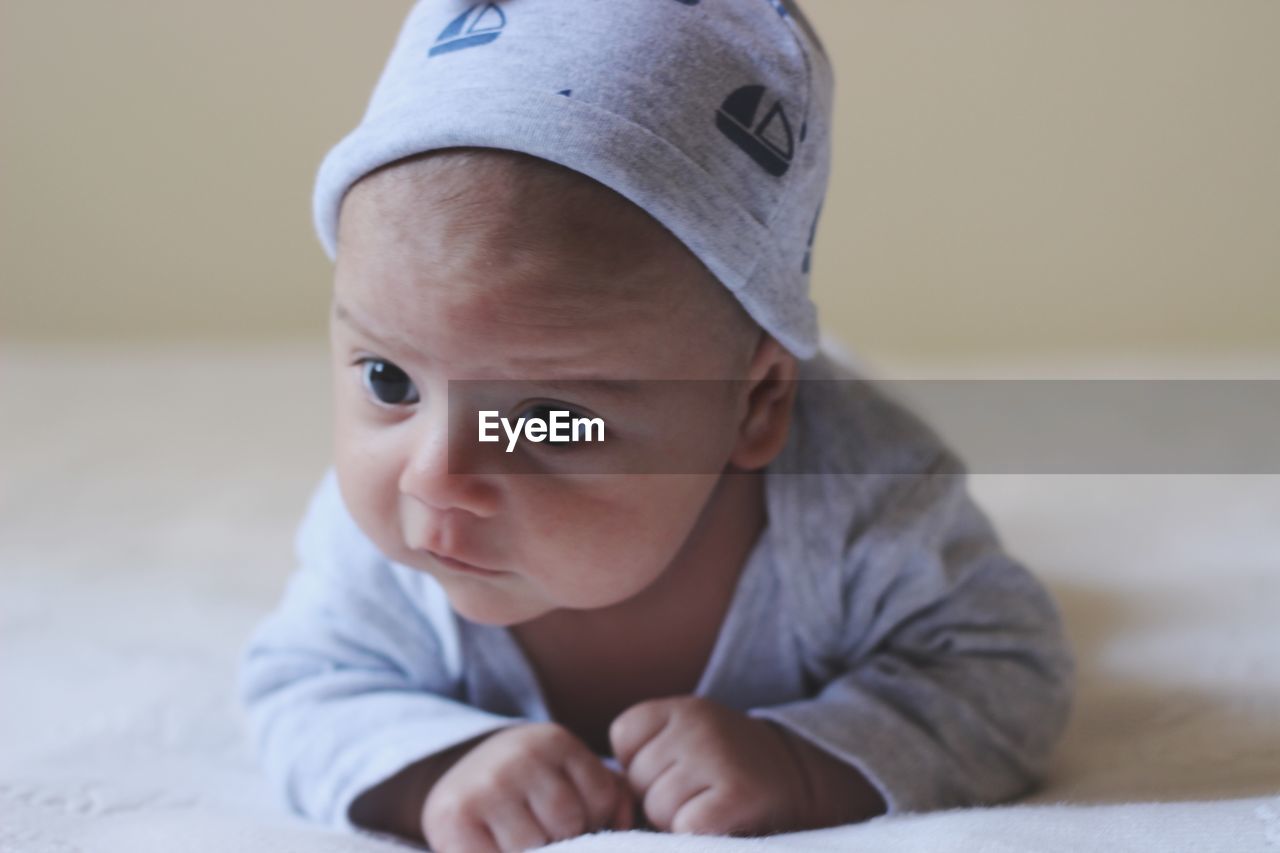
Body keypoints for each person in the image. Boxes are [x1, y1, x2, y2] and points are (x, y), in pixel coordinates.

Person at [236, 2, 1074, 851]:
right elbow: (302, 685)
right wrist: (434, 769)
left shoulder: (865, 503)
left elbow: (1007, 673)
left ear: (752, 405)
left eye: (549, 417)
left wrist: (807, 762)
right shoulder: (381, 551)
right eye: (391, 379)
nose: (434, 474)